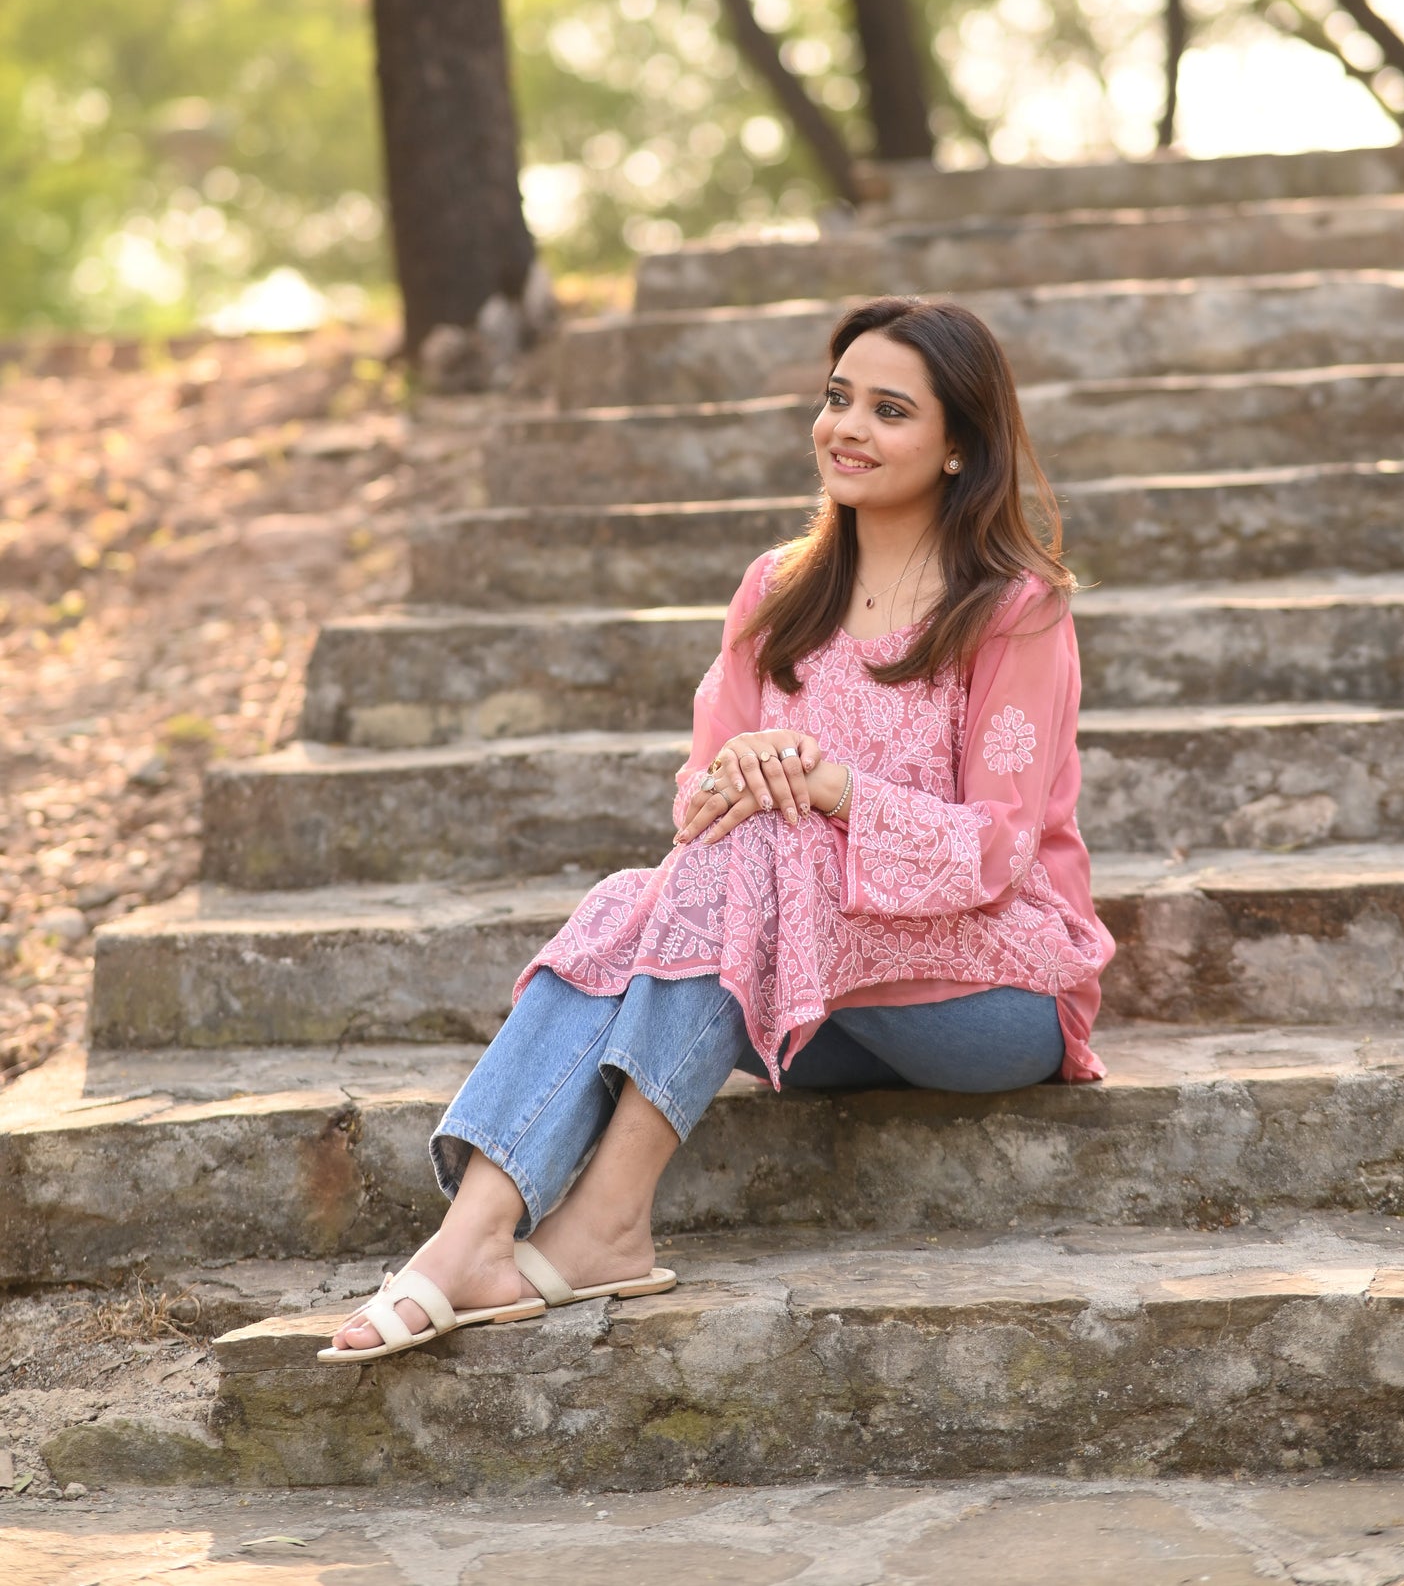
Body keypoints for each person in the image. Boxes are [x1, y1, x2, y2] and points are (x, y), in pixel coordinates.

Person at [322, 295, 1114, 1361]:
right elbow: (699, 812)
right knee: (647, 892)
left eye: (889, 411)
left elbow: (994, 852)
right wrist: (737, 776)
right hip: (801, 1000)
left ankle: (578, 1220)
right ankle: (479, 1234)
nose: (847, 428)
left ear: (959, 446)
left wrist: (831, 788)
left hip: (986, 996)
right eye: (837, 399)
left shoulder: (1013, 609)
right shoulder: (777, 592)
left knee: (750, 850)